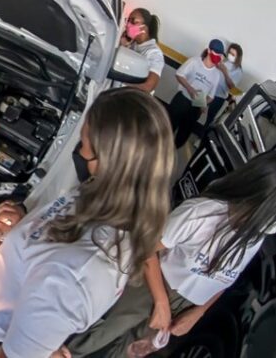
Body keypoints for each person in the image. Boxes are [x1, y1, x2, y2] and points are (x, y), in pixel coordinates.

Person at [0, 87, 175, 358]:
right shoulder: (106, 196)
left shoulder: (68, 282)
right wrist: (25, 227)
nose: (80, 151)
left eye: (84, 145)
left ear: (109, 163)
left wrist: (36, 344)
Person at [67, 149, 276, 357]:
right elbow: (146, 248)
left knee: (127, 352)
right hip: (150, 284)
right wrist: (161, 302)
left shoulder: (254, 235)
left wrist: (197, 313)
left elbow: (223, 279)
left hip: (184, 305)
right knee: (93, 339)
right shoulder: (202, 214)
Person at [167, 39, 225, 148]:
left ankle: (174, 149)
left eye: (220, 55)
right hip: (182, 99)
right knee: (169, 125)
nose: (218, 56)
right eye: (216, 53)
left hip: (196, 107)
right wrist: (190, 89)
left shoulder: (217, 74)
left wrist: (203, 103)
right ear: (209, 50)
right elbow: (179, 75)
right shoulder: (194, 62)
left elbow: (211, 96)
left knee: (184, 133)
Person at [120, 8, 164, 93]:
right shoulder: (133, 44)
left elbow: (148, 86)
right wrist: (122, 45)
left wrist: (121, 85)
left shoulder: (154, 53)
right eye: (128, 20)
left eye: (133, 21)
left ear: (144, 27)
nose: (128, 24)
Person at [205, 42, 243, 130]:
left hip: (219, 97)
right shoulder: (224, 62)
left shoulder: (238, 71)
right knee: (195, 112)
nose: (230, 55)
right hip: (208, 91)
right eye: (229, 52)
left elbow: (231, 87)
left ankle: (203, 136)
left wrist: (225, 72)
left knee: (210, 120)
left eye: (233, 54)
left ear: (238, 57)